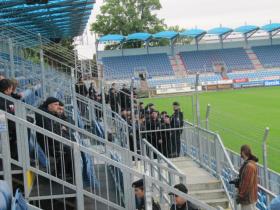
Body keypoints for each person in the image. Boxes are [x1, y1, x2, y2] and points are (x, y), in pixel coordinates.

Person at [236, 145, 258, 210]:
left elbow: (247, 183)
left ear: (243, 152)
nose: (240, 154)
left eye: (241, 152)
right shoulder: (249, 164)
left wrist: (240, 196)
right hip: (249, 198)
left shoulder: (249, 166)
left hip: (248, 199)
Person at [0, 79, 17, 159]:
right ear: (7, 90)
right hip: (5, 128)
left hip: (7, 127)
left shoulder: (6, 98)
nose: (12, 91)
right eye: (11, 89)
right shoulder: (5, 100)